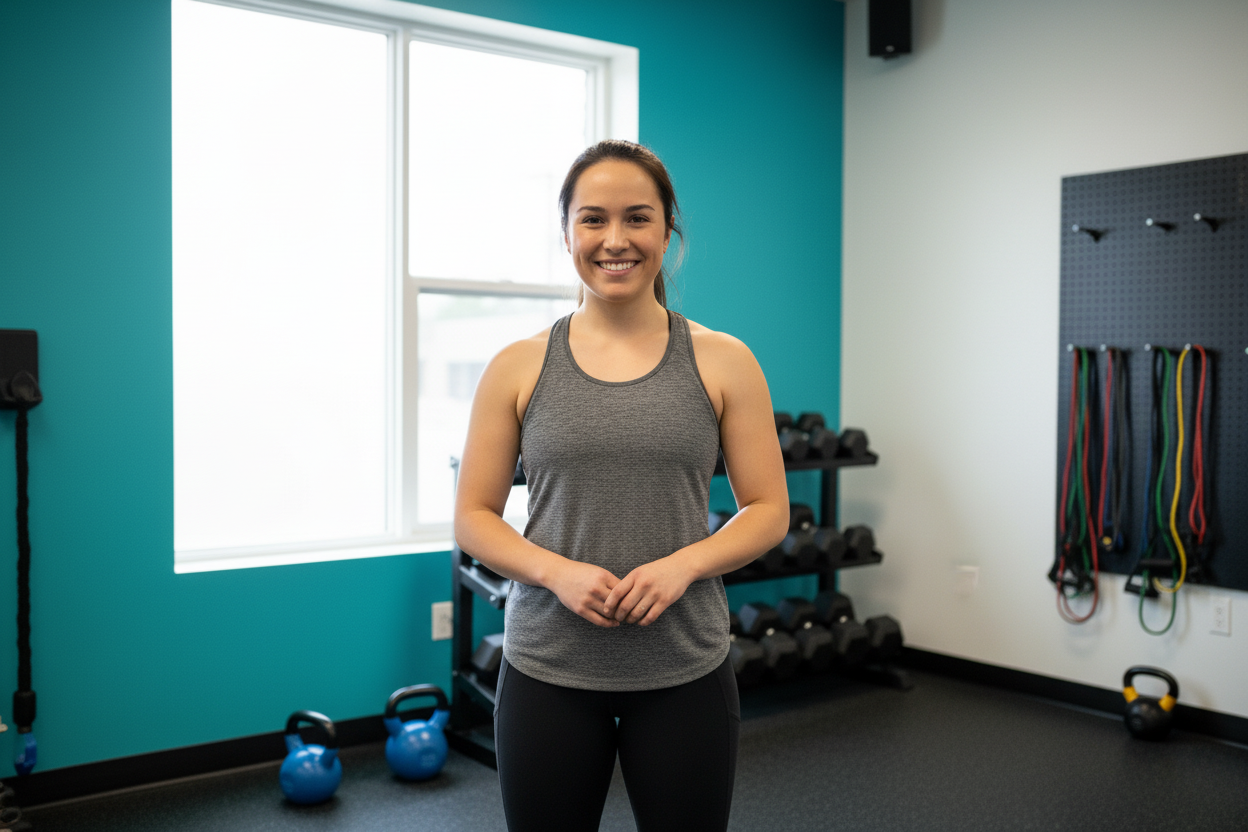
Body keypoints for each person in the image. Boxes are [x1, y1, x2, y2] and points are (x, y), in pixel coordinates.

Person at [453, 139, 789, 832]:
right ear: (567, 234)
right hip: (549, 664)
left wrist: (683, 565)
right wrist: (558, 574)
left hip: (683, 665)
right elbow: (475, 518)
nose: (615, 240)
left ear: (668, 231)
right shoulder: (517, 366)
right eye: (593, 220)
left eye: (638, 218)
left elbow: (767, 509)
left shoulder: (725, 360)